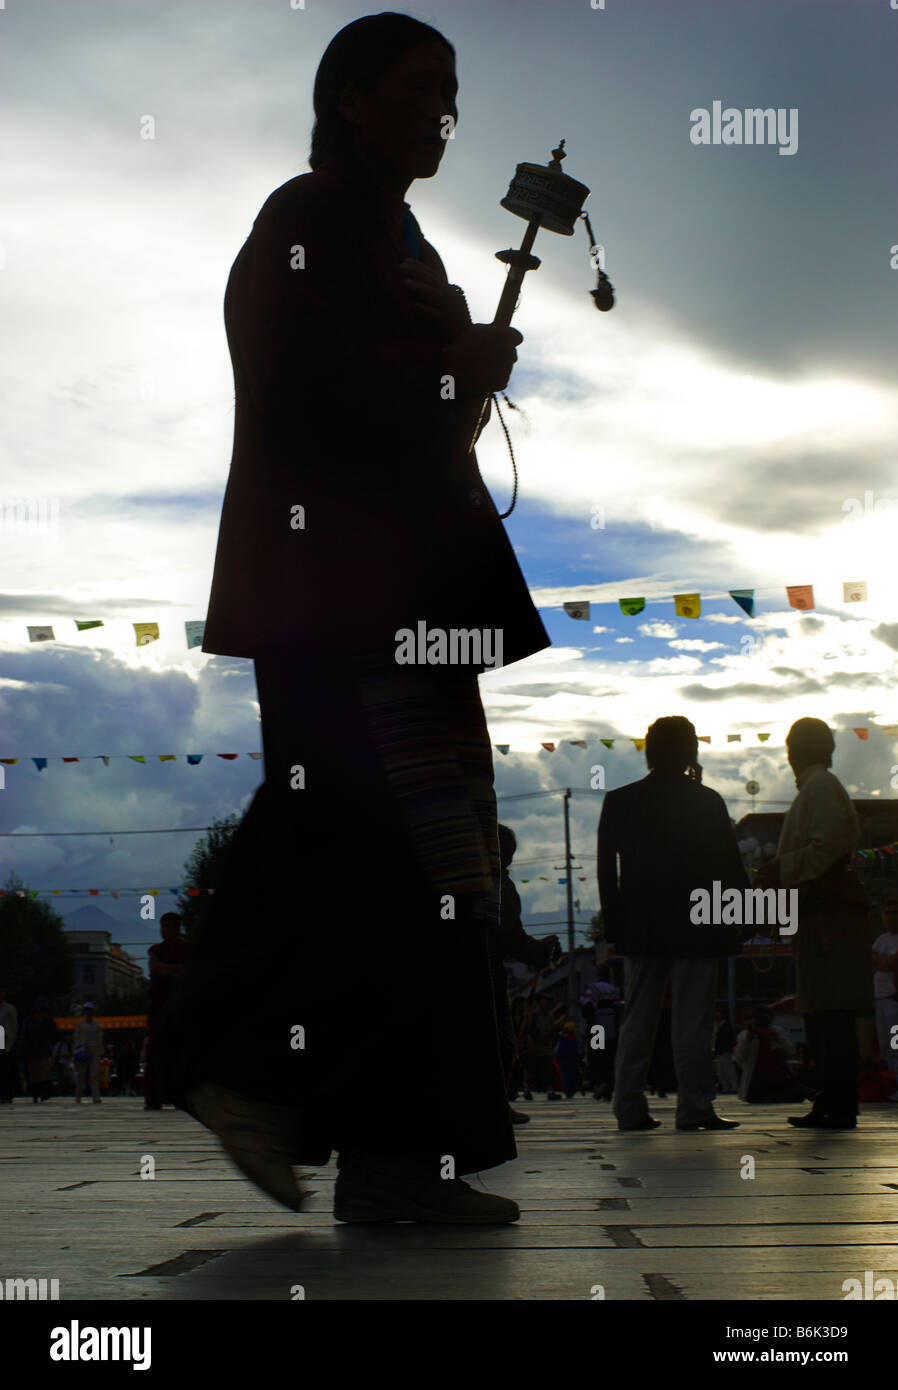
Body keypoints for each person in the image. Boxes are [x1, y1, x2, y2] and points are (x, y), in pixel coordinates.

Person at [159, 13, 550, 1226]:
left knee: (435, 866)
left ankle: (400, 1158)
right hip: (344, 594)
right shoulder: (308, 222)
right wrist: (453, 372)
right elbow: (303, 391)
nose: (442, 111)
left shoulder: (402, 244)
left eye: (453, 90)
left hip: (414, 594)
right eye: (417, 87)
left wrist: (461, 384)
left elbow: (418, 425)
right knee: (368, 846)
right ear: (346, 99)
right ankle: (234, 1067)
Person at [598, 715, 748, 1131]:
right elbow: (729, 868)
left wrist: (615, 924)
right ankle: (694, 1107)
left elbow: (606, 871)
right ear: (689, 751)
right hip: (699, 924)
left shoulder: (620, 800)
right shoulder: (706, 800)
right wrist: (741, 917)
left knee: (638, 1019)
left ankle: (628, 1106)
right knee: (694, 1023)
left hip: (641, 924)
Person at [757, 718, 871, 1129]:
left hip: (829, 918)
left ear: (795, 751)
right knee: (822, 1011)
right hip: (821, 916)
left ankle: (838, 1102)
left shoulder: (820, 788)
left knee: (830, 1011)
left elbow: (827, 849)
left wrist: (780, 868)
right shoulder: (818, 789)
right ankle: (832, 1099)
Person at [490, 824, 559, 1122]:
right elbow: (509, 936)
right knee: (498, 1040)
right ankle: (495, 1105)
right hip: (487, 974)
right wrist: (540, 952)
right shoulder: (499, 885)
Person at [145, 913, 191, 1110]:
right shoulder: (156, 950)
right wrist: (177, 970)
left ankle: (180, 1094)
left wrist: (170, 970)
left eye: (169, 926)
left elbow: (190, 970)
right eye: (163, 926)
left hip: (182, 1008)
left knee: (182, 1052)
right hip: (159, 1008)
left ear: (177, 927)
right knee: (156, 1053)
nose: (165, 930)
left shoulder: (188, 949)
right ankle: (154, 1096)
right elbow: (156, 968)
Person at [732, 1007, 801, 1102]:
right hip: (756, 1080)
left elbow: (791, 1052)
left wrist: (777, 1038)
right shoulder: (745, 1035)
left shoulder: (777, 1032)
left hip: (778, 1078)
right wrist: (747, 1040)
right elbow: (738, 1058)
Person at [580, 967, 621, 1100]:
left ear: (597, 975)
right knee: (610, 1058)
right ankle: (608, 1086)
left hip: (596, 1029)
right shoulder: (614, 990)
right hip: (612, 1029)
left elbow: (585, 1008)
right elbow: (619, 1009)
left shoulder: (591, 989)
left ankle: (599, 1084)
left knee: (596, 1058)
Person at [872, 898, 898, 1101]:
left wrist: (883, 961)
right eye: (887, 913)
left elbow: (891, 963)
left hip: (894, 998)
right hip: (879, 998)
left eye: (894, 912)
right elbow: (872, 961)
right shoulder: (881, 940)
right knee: (885, 1046)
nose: (890, 917)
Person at [19, 999, 58, 1103]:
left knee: (44, 1075)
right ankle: (35, 1093)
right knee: (33, 1075)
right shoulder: (29, 1022)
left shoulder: (49, 1023)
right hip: (31, 1052)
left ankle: (43, 1092)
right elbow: (24, 1036)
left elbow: (53, 1036)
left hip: (44, 1052)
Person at [73, 1003, 103, 1103]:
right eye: (87, 1010)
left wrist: (99, 1052)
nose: (88, 1012)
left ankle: (96, 1097)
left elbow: (100, 1039)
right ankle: (78, 1097)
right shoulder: (80, 1024)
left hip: (94, 1052)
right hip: (82, 1053)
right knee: (80, 1075)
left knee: (94, 1075)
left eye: (90, 1010)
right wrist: (77, 1050)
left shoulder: (97, 1025)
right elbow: (76, 1038)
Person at [712, 1008, 738, 1095]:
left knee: (727, 1069)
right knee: (723, 1070)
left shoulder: (725, 1026)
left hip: (724, 1051)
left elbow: (725, 1039)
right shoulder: (722, 1025)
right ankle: (726, 1086)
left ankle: (731, 1086)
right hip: (722, 1051)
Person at [0, 984, 19, 1103]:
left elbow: (13, 1027)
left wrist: (10, 1042)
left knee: (5, 1070)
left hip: (5, 1042)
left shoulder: (9, 1009)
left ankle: (6, 1093)